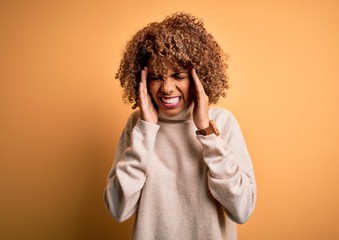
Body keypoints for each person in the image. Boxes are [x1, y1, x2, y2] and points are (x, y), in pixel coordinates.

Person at [104, 12, 256, 240]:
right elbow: (118, 209)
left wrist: (206, 132)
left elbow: (242, 209)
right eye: (156, 76)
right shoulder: (138, 124)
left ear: (198, 78)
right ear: (143, 80)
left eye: (178, 75)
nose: (166, 88)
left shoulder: (222, 123)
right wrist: (146, 130)